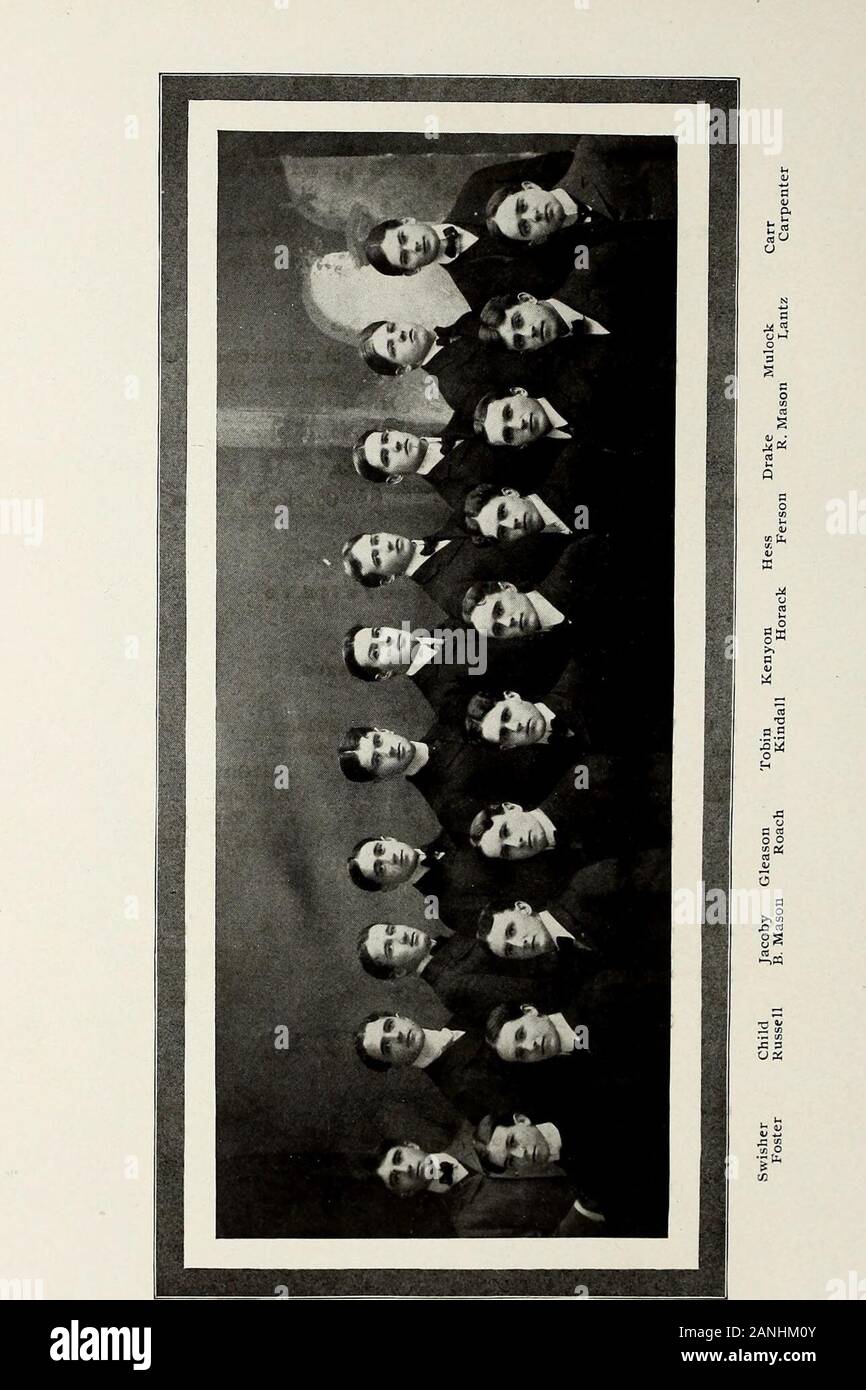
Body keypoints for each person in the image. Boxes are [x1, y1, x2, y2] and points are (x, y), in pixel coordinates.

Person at [374, 1131, 605, 1236]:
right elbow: (553, 1250)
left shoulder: (478, 1129)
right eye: (396, 1177)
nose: (406, 1169)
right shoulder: (468, 1226)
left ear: (411, 1145)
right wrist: (585, 1209)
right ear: (405, 1193)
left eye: (398, 1157)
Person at [356, 921, 565, 1022]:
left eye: (391, 930)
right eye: (390, 948)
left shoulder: (447, 945)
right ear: (399, 972)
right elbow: (531, 990)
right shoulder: (451, 986)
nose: (400, 936)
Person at [341, 530, 566, 620]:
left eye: (376, 540)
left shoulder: (445, 530)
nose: (385, 546)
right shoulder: (449, 593)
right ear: (387, 579)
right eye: (377, 558)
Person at [354, 1010, 518, 1122]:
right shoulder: (459, 1088)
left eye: (390, 1025)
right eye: (387, 1047)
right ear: (394, 1065)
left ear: (402, 1018)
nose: (397, 1035)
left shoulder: (460, 1017)